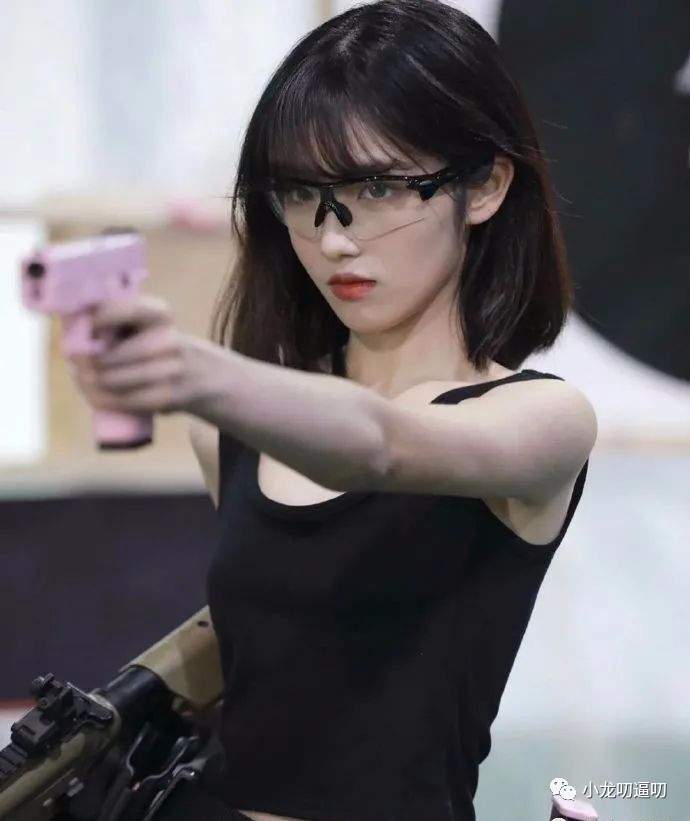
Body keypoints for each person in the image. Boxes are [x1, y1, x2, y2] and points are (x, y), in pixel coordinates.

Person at [69, 1, 597, 819]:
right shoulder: (233, 428)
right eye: (300, 192)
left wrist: (189, 369)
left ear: (486, 186)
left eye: (378, 187)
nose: (334, 239)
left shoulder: (544, 421)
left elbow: (380, 446)